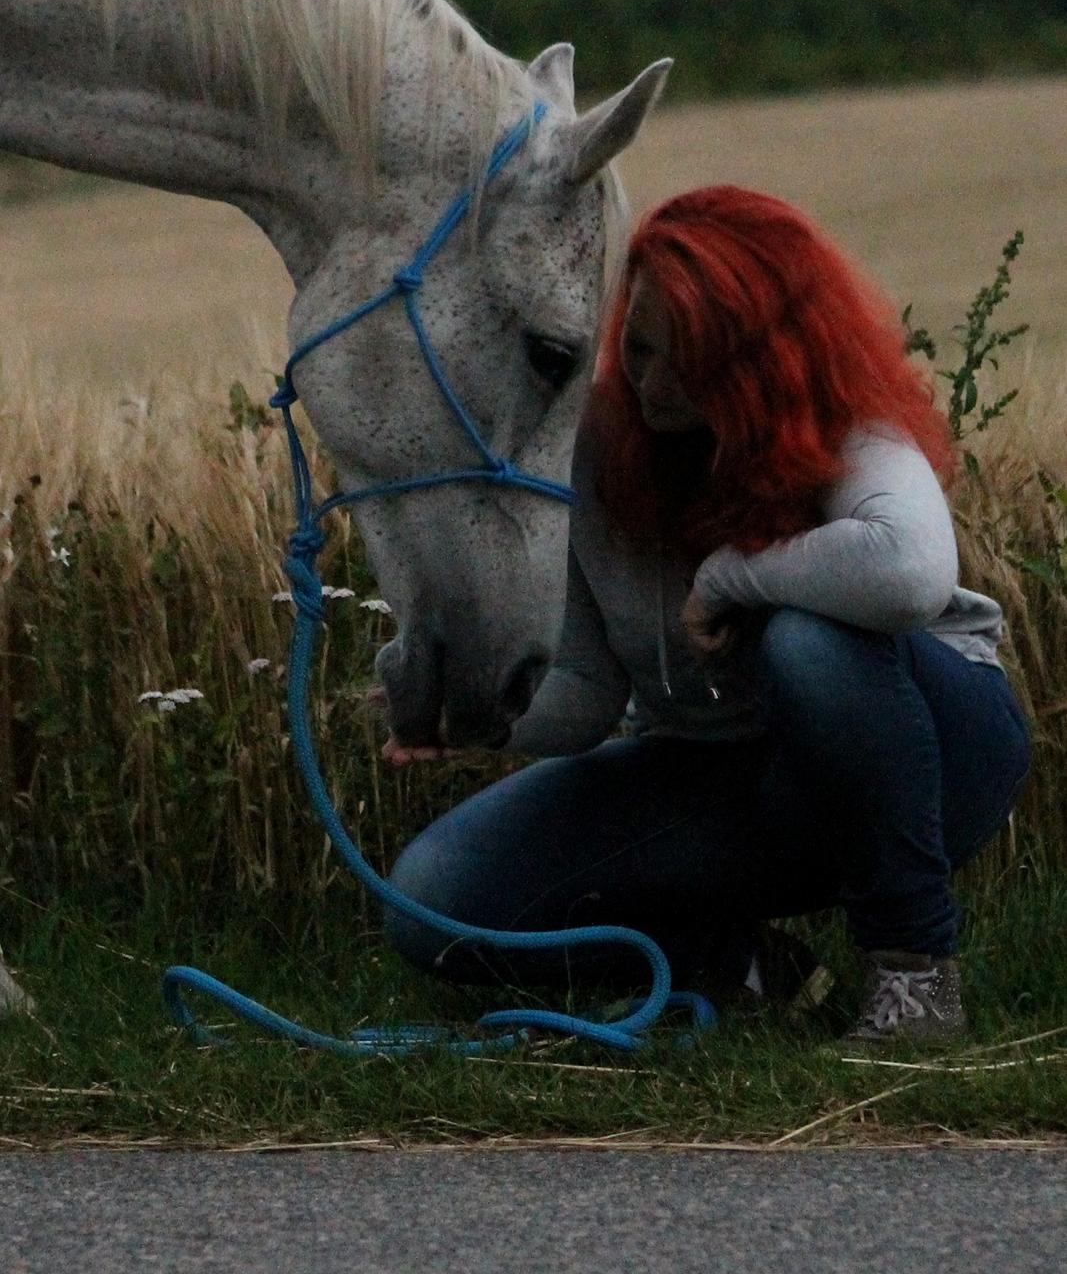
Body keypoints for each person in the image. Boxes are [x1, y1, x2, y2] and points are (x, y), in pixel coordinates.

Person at [382, 185, 1031, 1046]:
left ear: (750, 359)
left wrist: (733, 576)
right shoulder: (593, 452)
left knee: (810, 642)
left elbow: (908, 574)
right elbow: (583, 694)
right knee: (432, 899)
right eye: (635, 348)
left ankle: (914, 980)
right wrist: (474, 711)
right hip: (713, 775)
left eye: (678, 359)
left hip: (934, 760)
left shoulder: (852, 429)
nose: (643, 382)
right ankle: (733, 964)